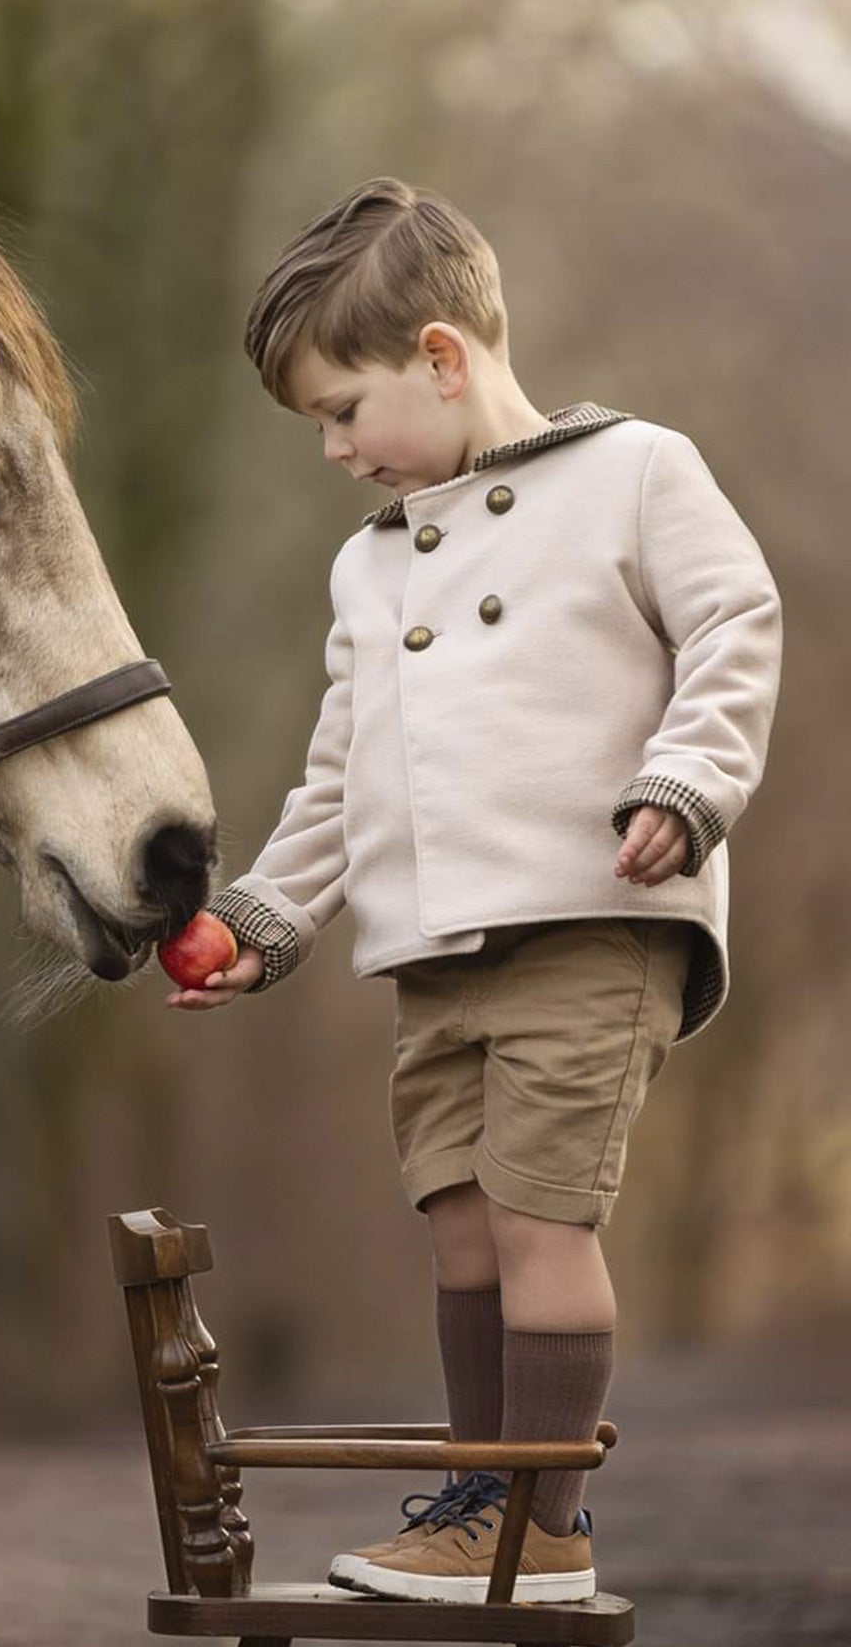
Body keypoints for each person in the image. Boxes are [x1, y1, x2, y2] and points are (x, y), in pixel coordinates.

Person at [165, 177, 783, 1605]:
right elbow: (339, 776)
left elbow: (734, 625)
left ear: (441, 358)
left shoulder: (635, 470)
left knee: (536, 1216)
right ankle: (476, 1503)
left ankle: (540, 1529)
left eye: (341, 409)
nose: (332, 450)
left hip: (591, 917)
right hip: (433, 948)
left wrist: (687, 784)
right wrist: (264, 917)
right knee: (457, 1220)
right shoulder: (371, 568)